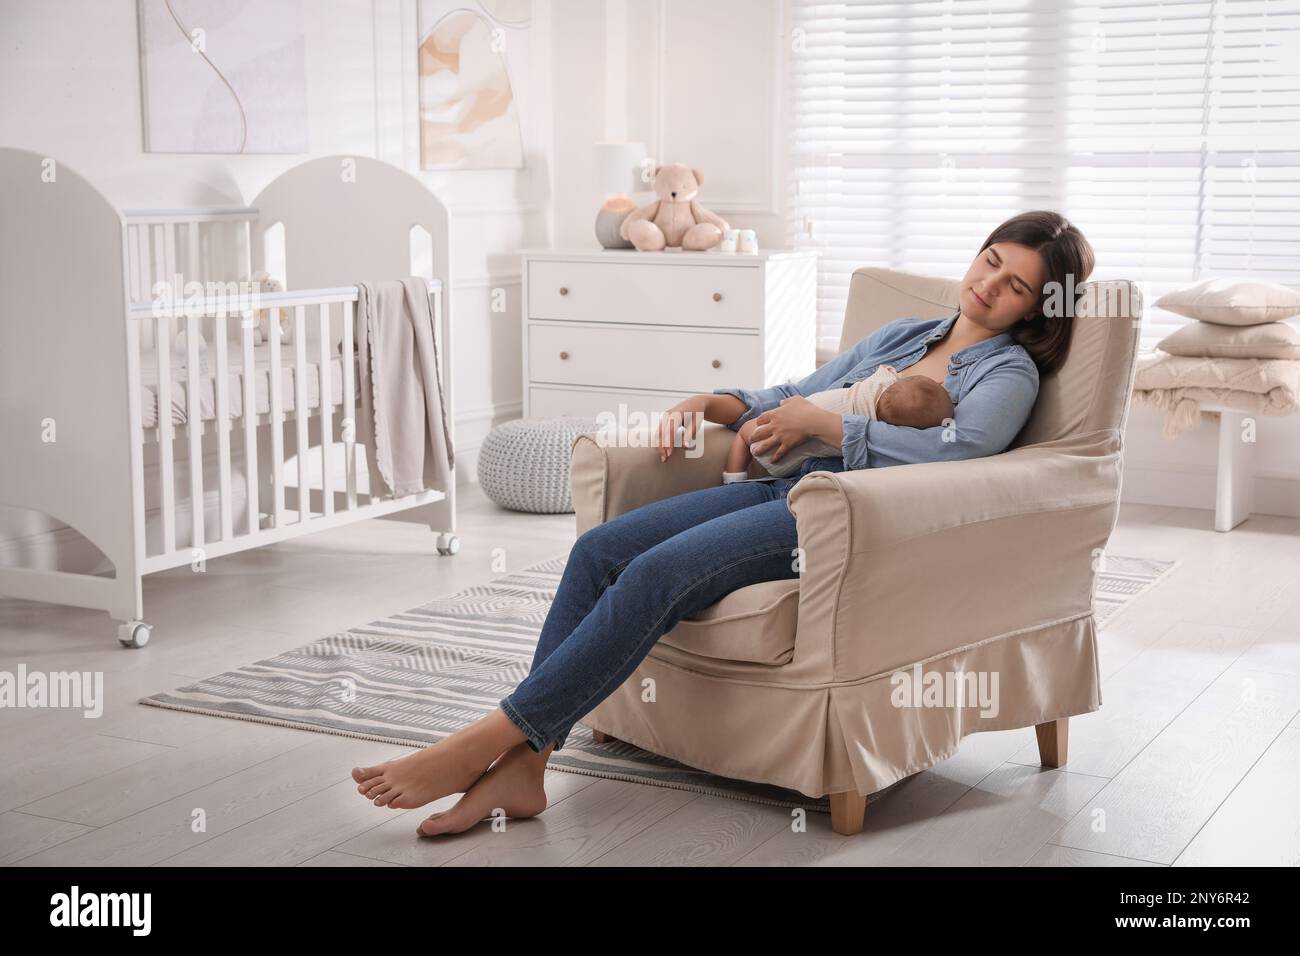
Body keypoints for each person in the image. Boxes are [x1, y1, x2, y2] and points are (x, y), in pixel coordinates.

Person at [350, 209, 1096, 837]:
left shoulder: (1008, 374)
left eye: (1015, 285)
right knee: (599, 552)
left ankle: (485, 740)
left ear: (1038, 306)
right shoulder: (903, 334)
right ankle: (527, 766)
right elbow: (796, 393)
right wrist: (711, 402)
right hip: (787, 488)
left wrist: (831, 431)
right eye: (989, 261)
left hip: (852, 523)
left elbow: (958, 453)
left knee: (655, 575)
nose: (989, 285)